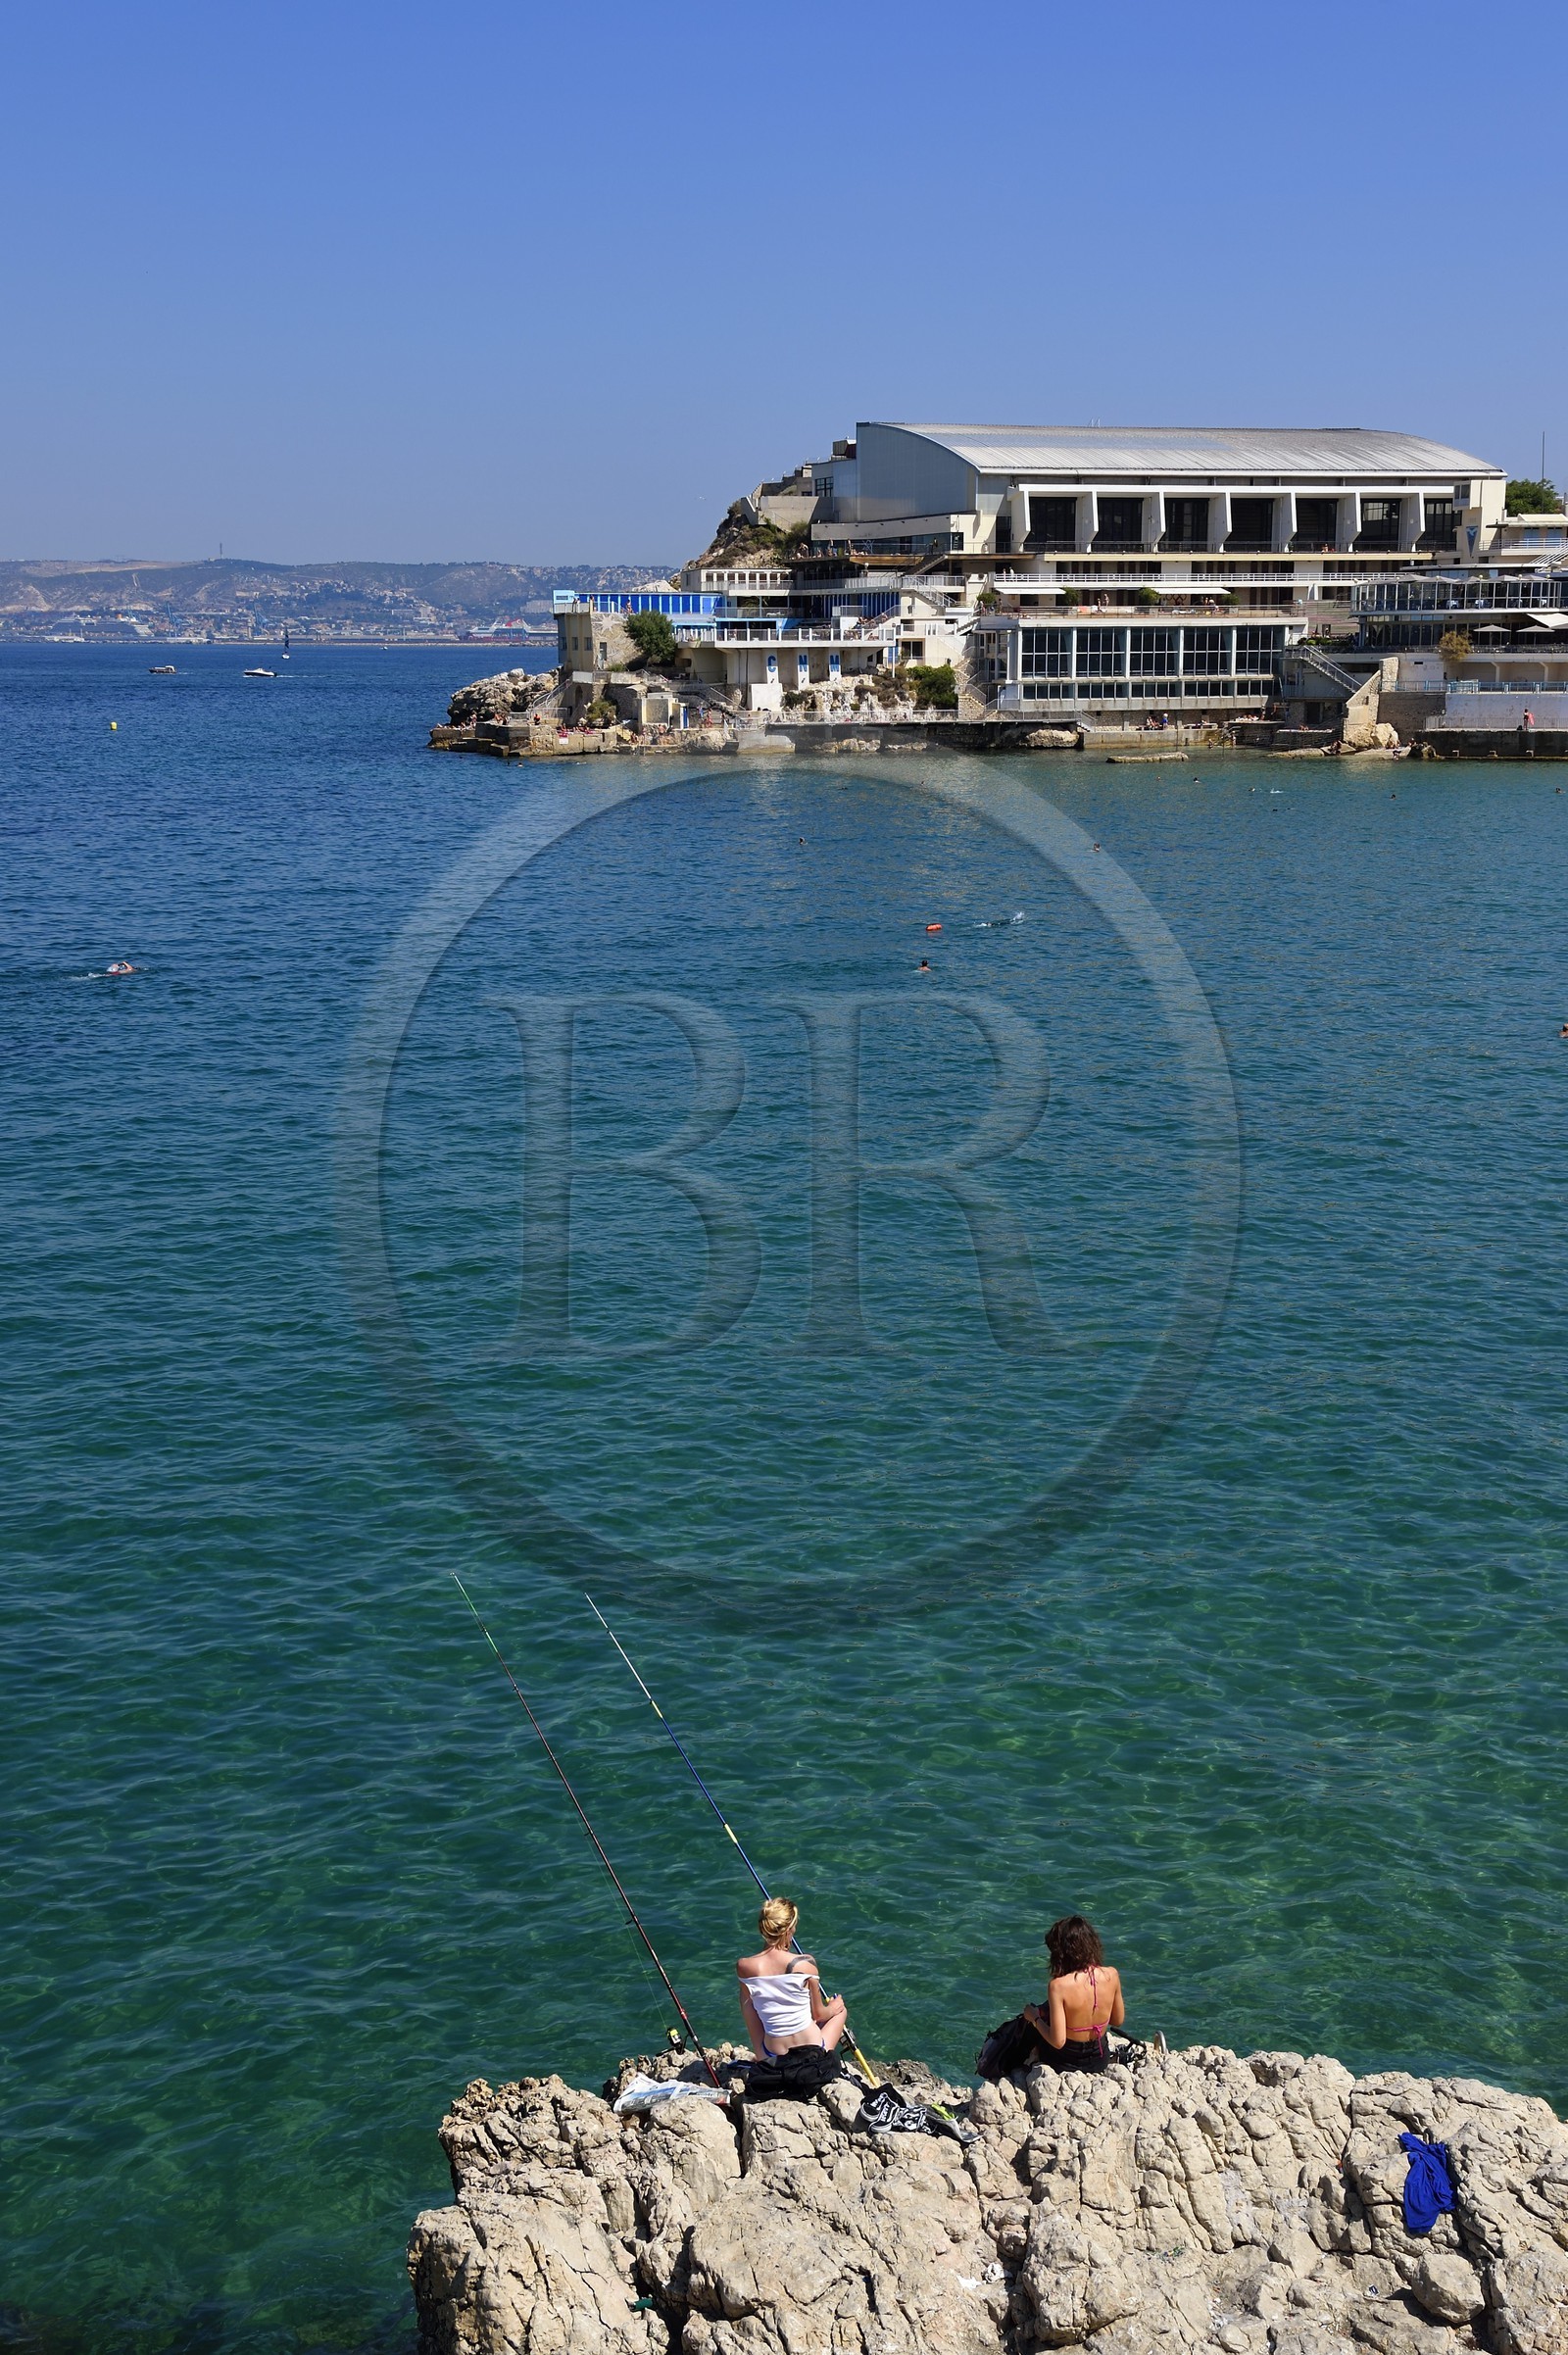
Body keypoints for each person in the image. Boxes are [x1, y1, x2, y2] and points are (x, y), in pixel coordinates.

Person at [736, 1897, 847, 2060]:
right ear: (788, 1931)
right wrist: (834, 2007)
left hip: (771, 2054)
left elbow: (751, 2009)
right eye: (794, 1926)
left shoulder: (744, 1966)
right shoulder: (805, 1963)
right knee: (840, 2012)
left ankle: (762, 2057)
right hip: (812, 2054)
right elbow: (819, 2014)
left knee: (747, 1998)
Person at [1022, 1914, 1124, 2074]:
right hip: (1100, 2059)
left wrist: (1034, 2018)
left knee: (1037, 2015)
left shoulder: (1058, 1986)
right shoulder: (1112, 1974)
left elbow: (1058, 2041)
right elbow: (1117, 2020)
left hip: (1064, 2063)